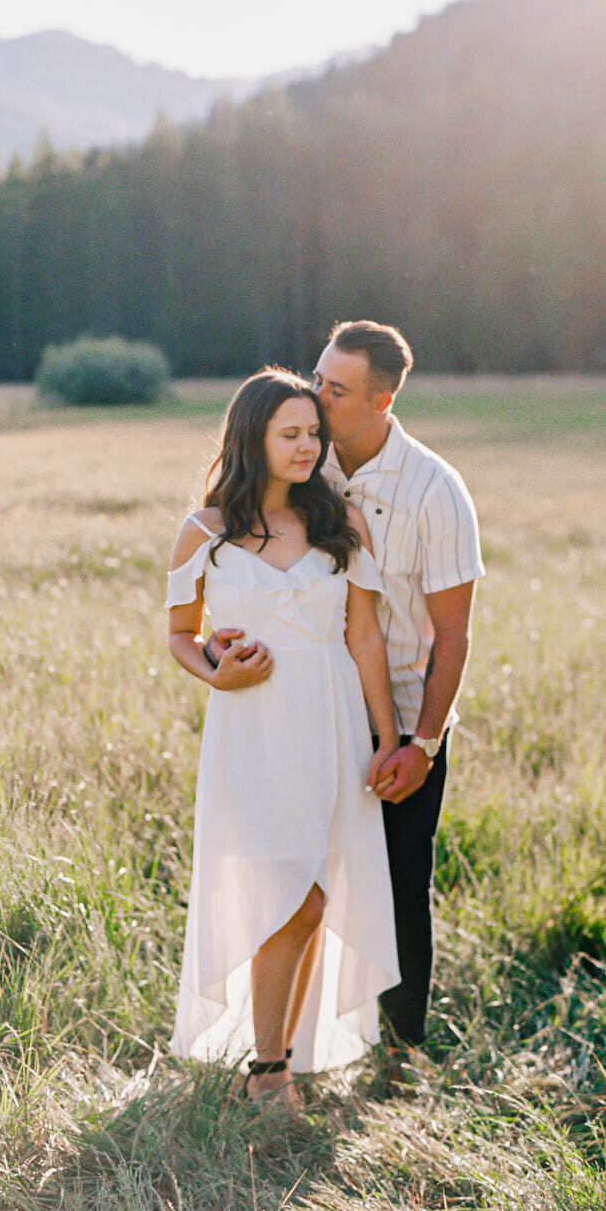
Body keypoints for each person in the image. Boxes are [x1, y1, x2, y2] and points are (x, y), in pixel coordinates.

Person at [210, 321, 484, 1061]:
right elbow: (238, 565)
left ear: (381, 400)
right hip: (307, 713)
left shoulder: (436, 489)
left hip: (402, 721)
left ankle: (398, 1056)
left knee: (394, 891)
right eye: (318, 376)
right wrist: (215, 647)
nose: (316, 395)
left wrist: (420, 744)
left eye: (335, 389)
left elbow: (452, 638)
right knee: (295, 881)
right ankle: (284, 1049)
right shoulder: (304, 460)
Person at [165, 367, 402, 1106]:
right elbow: (180, 636)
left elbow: (363, 636)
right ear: (253, 438)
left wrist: (392, 741)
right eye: (290, 434)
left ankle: (277, 1064)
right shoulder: (203, 532)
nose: (307, 446)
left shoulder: (341, 525)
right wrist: (218, 673)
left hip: (332, 722)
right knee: (288, 898)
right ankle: (268, 1075)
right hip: (254, 726)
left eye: (313, 433)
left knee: (318, 898)